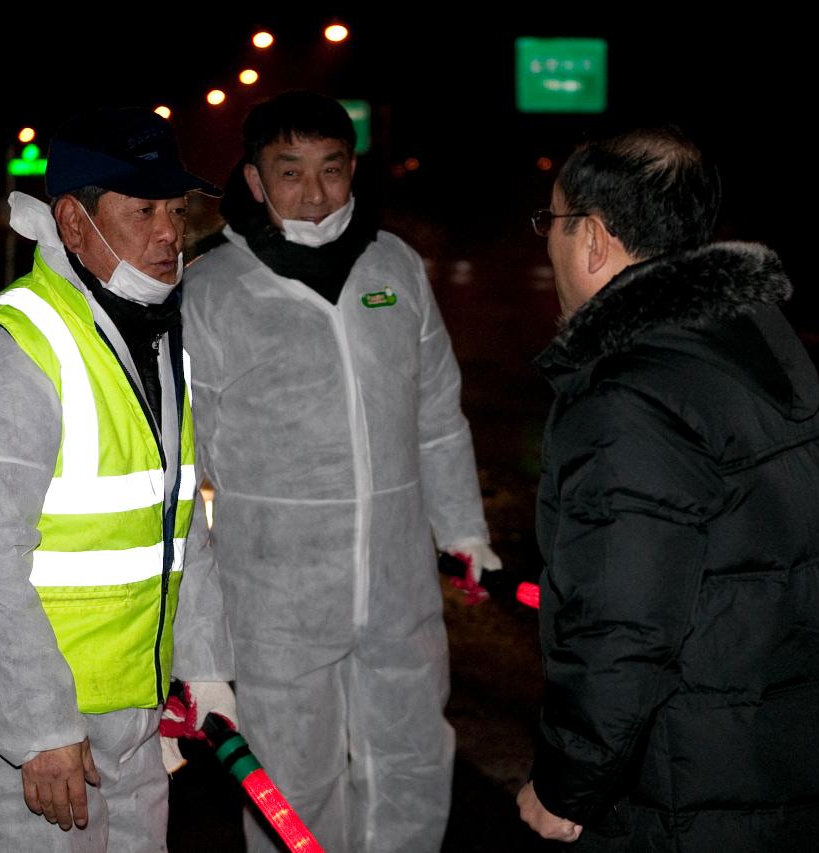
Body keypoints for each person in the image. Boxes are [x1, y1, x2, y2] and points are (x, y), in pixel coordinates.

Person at [517, 127, 819, 851]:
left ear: (591, 238)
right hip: (790, 760)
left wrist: (568, 781)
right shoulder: (739, 344)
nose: (547, 242)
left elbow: (622, 621)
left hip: (691, 788)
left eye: (552, 221)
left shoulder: (630, 394)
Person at [177, 90, 500, 852]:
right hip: (276, 602)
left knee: (413, 760)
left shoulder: (395, 267)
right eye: (289, 172)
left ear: (353, 168)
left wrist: (462, 529)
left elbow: (438, 416)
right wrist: (200, 644)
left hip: (398, 588)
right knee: (293, 782)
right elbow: (182, 480)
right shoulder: (213, 293)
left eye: (331, 168)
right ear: (254, 181)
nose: (314, 192)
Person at [0, 107, 229, 851]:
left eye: (176, 209)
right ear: (73, 219)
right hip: (18, 741)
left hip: (129, 722)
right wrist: (38, 730)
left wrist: (205, 669)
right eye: (143, 209)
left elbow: (177, 528)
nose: (169, 232)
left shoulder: (146, 337)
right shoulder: (6, 351)